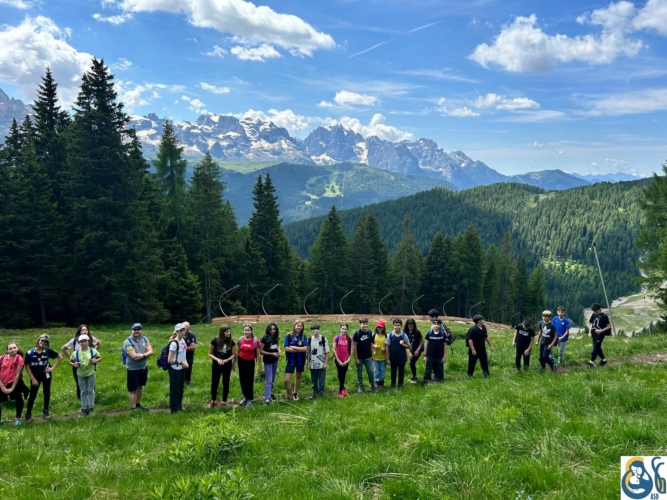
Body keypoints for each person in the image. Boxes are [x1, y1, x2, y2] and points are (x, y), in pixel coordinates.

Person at [25, 334, 62, 422]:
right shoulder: (29, 353)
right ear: (38, 340)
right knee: (33, 394)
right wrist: (32, 378)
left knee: (47, 392)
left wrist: (52, 368)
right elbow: (27, 367)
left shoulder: (47, 351)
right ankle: (28, 413)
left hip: (46, 375)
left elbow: (60, 357)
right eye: (42, 340)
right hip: (35, 376)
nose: (43, 342)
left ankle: (46, 410)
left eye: (45, 341)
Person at [61, 325, 101, 401]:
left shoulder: (91, 338)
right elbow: (63, 348)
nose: (85, 331)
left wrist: (93, 353)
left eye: (86, 329)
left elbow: (99, 343)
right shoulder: (74, 340)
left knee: (91, 382)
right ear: (79, 332)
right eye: (83, 330)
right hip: (78, 365)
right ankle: (81, 400)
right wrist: (72, 359)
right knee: (79, 382)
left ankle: (91, 399)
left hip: (90, 364)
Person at [68, 335, 101, 417]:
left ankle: (91, 408)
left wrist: (95, 360)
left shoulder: (93, 351)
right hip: (80, 374)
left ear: (88, 341)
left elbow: (100, 358)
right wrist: (74, 364)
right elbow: (70, 361)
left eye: (85, 341)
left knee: (90, 390)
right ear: (79, 343)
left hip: (91, 373)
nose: (83, 343)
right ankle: (83, 408)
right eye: (81, 342)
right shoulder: (76, 353)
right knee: (83, 391)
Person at [123, 322, 153, 411]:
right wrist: (145, 354)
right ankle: (133, 408)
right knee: (133, 389)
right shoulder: (127, 342)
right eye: (134, 329)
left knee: (140, 386)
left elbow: (151, 351)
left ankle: (138, 404)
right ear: (131, 330)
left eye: (138, 329)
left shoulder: (145, 339)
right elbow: (134, 356)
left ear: (141, 330)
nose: (136, 331)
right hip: (132, 369)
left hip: (143, 367)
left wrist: (143, 355)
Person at [208, 324, 236, 407]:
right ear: (222, 332)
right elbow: (210, 353)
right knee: (214, 382)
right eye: (227, 332)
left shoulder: (231, 342)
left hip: (227, 365)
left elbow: (234, 354)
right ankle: (213, 400)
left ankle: (224, 400)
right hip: (216, 365)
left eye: (229, 331)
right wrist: (217, 360)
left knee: (226, 382)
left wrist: (227, 360)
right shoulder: (215, 340)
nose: (229, 333)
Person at [0, 342, 28, 426]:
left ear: (17, 348)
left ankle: (18, 418)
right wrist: (2, 387)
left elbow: (17, 375)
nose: (13, 350)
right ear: (7, 350)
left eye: (14, 348)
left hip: (14, 382)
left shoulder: (19, 359)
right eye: (10, 349)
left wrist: (12, 388)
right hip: (2, 382)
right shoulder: (2, 358)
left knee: (18, 399)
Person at [237, 323, 261, 407]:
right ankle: (245, 397)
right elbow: (238, 351)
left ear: (251, 330)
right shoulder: (240, 339)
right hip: (241, 361)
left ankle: (250, 398)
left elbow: (258, 354)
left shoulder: (255, 340)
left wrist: (260, 366)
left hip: (250, 362)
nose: (246, 332)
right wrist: (233, 363)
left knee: (249, 380)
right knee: (242, 380)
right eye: (245, 330)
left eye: (248, 330)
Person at [284, 320, 308, 401]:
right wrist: (299, 349)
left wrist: (294, 347)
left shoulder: (303, 336)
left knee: (298, 376)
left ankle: (295, 393)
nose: (299, 327)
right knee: (286, 380)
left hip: (301, 360)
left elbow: (305, 349)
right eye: (298, 325)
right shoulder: (288, 335)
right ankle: (289, 396)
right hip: (291, 360)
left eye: (301, 326)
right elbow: (286, 348)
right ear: (294, 326)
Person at [167, 324, 188, 414]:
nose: (182, 332)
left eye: (183, 330)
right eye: (180, 331)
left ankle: (179, 406)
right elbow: (170, 360)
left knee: (181, 388)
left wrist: (185, 362)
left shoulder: (183, 340)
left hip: (182, 368)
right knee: (174, 389)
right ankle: (174, 409)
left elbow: (183, 353)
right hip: (175, 369)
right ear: (176, 332)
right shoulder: (174, 344)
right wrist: (181, 363)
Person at [353, 318, 376, 393]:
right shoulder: (357, 333)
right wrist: (356, 358)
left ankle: (373, 386)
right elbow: (354, 347)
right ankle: (360, 386)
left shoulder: (369, 332)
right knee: (359, 372)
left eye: (366, 324)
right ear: (360, 324)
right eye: (363, 324)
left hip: (368, 356)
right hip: (359, 357)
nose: (365, 325)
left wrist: (373, 355)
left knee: (371, 371)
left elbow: (371, 344)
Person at [260, 322, 281, 405]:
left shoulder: (275, 337)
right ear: (268, 330)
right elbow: (261, 351)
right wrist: (271, 354)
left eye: (274, 329)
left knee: (272, 378)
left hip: (275, 360)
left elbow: (277, 345)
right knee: (268, 379)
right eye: (271, 329)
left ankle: (269, 393)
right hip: (268, 360)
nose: (272, 331)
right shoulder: (264, 338)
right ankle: (267, 398)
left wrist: (279, 351)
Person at [307, 323, 329, 399]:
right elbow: (308, 352)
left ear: (319, 329)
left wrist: (325, 363)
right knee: (314, 380)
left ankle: (321, 394)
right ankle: (314, 393)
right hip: (313, 363)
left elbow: (327, 352)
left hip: (321, 363)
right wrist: (308, 363)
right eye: (313, 329)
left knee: (322, 381)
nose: (315, 330)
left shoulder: (323, 339)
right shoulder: (310, 340)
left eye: (316, 329)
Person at [388, 319, 411, 388]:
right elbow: (387, 346)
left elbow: (409, 346)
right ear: (393, 326)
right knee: (393, 372)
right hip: (393, 358)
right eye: (395, 325)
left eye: (398, 325)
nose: (397, 327)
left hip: (402, 358)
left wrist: (403, 344)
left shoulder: (404, 335)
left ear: (401, 326)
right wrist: (387, 358)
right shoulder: (390, 335)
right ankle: (393, 385)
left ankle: (400, 385)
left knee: (401, 372)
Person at [423, 319, 447, 383]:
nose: (436, 326)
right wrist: (425, 355)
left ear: (440, 325)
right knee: (428, 369)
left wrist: (444, 356)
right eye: (435, 324)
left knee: (439, 369)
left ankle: (439, 379)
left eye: (438, 324)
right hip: (430, 355)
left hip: (439, 356)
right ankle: (426, 380)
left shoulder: (443, 334)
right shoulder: (429, 333)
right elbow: (426, 344)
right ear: (432, 325)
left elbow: (445, 345)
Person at [332, 323, 353, 397]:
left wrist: (348, 360)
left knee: (343, 374)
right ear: (340, 329)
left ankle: (341, 390)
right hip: (338, 359)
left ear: (347, 329)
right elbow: (334, 349)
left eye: (345, 329)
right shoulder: (336, 338)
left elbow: (352, 349)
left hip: (346, 360)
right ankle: (342, 388)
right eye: (342, 329)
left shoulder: (350, 339)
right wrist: (338, 360)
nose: (344, 330)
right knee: (339, 374)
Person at [588, 302, 611, 367]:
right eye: (594, 311)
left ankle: (591, 362)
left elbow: (609, 326)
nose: (595, 312)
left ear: (599, 309)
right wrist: (589, 332)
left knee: (595, 347)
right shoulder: (594, 314)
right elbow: (591, 323)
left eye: (596, 311)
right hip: (594, 333)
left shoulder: (604, 316)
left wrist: (600, 331)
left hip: (600, 334)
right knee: (597, 347)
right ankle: (603, 360)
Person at [404, 318, 423, 384]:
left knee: (412, 363)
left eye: (412, 325)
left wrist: (418, 350)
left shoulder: (417, 332)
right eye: (409, 325)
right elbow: (405, 343)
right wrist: (409, 352)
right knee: (412, 363)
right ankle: (413, 377)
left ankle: (415, 378)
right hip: (410, 349)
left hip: (417, 349)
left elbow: (421, 341)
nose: (411, 327)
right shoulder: (405, 333)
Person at [372, 320, 389, 388]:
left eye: (381, 327)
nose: (379, 328)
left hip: (383, 357)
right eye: (378, 327)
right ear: (376, 327)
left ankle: (381, 381)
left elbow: (388, 345)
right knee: (376, 371)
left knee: (382, 370)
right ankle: (377, 381)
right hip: (375, 356)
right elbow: (370, 344)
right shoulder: (373, 335)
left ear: (383, 328)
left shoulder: (386, 336)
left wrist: (385, 348)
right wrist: (374, 346)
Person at [183, 321, 197, 386]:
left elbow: (193, 347)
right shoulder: (179, 334)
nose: (185, 327)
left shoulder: (192, 335)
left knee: (188, 368)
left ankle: (187, 382)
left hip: (189, 355)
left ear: (189, 327)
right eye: (184, 326)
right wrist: (188, 347)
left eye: (186, 326)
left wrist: (183, 348)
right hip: (181, 355)